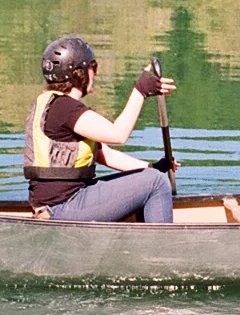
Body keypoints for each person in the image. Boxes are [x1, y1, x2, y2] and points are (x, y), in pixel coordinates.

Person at [24, 36, 178, 222]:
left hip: (55, 204)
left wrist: (151, 167)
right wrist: (141, 91)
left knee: (153, 176)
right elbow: (118, 134)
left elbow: (105, 154)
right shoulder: (65, 109)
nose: (94, 74)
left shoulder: (53, 105)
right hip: (64, 206)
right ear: (79, 73)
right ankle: (164, 248)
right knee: (157, 183)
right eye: (92, 68)